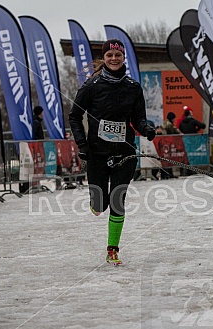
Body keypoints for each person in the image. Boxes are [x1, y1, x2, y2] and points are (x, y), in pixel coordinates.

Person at [69, 38, 156, 266]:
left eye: (118, 55)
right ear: (104, 58)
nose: (114, 59)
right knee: (100, 206)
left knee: (118, 200)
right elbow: (74, 116)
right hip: (97, 154)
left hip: (124, 153)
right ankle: (96, 203)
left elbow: (138, 118)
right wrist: (82, 145)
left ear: (123, 57)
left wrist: (145, 128)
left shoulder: (133, 87)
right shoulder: (91, 86)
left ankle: (112, 250)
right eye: (109, 55)